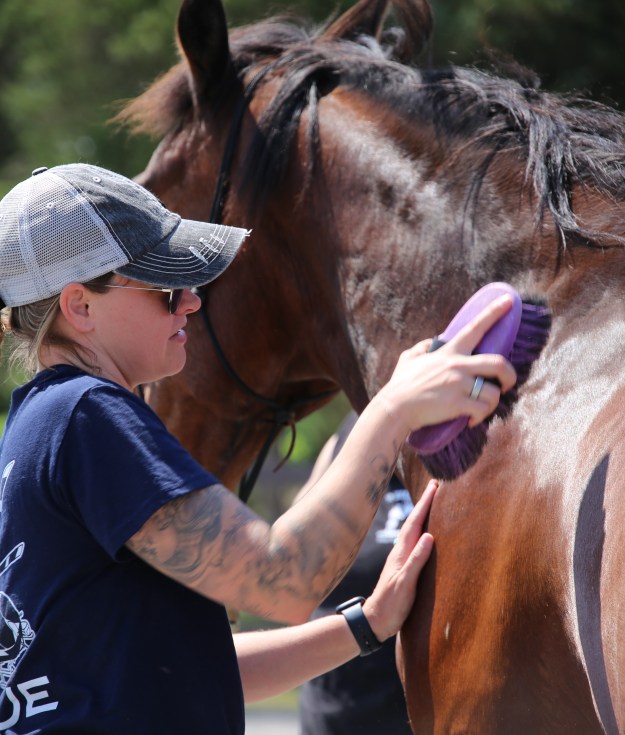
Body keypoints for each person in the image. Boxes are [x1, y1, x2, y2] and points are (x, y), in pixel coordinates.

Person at [0, 163, 516, 734]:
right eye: (164, 286)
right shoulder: (87, 415)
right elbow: (284, 578)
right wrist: (393, 409)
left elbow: (194, 668)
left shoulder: (37, 430)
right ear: (81, 307)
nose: (192, 302)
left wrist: (366, 625)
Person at [296, 411, 415, 734]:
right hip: (330, 709)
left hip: (411, 715)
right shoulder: (350, 431)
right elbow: (294, 562)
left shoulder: (460, 436)